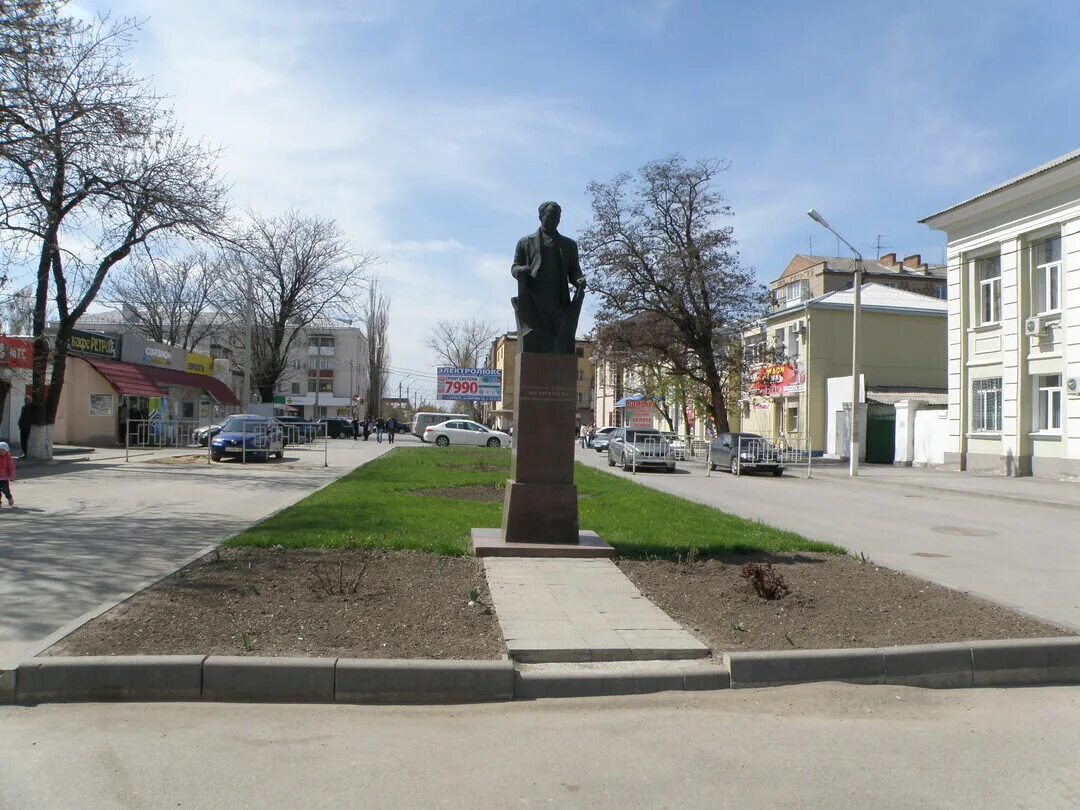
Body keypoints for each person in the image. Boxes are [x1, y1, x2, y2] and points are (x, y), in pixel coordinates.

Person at [510, 201, 587, 354]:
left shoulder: (569, 245)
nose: (555, 220)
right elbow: (514, 267)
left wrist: (579, 279)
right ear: (541, 216)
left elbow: (574, 270)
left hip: (558, 299)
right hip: (534, 298)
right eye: (551, 216)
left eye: (558, 217)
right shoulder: (525, 242)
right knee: (533, 340)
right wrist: (521, 270)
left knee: (561, 340)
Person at [0, 441, 15, 509]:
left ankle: (10, 498)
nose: (1, 451)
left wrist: (11, 476)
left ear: (6, 450)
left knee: (6, 490)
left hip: (4, 478)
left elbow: (11, 468)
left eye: (3, 450)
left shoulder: (8, 458)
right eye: (0, 450)